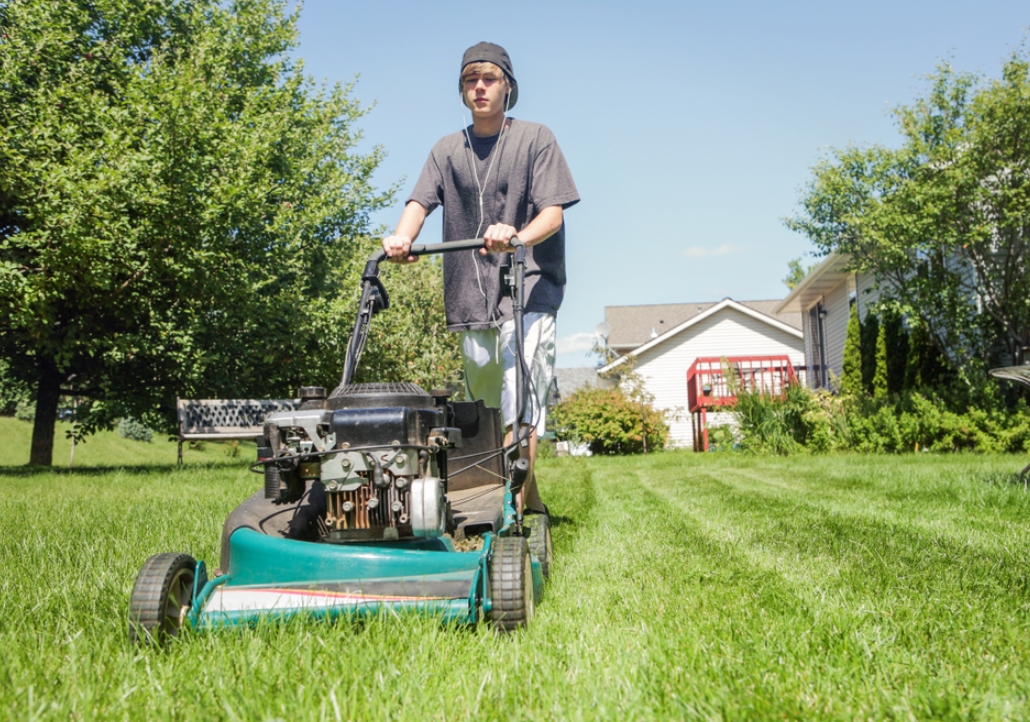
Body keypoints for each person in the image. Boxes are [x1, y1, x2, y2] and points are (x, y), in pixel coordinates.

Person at [381, 41, 579, 515]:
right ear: (462, 90)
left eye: (489, 78)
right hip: (470, 296)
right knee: (488, 409)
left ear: (508, 86)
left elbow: (552, 214)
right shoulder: (447, 149)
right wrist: (401, 239)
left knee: (520, 401)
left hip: (529, 288)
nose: (480, 87)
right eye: (471, 79)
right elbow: (420, 203)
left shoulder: (536, 139)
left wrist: (518, 236)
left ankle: (511, 511)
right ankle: (526, 501)